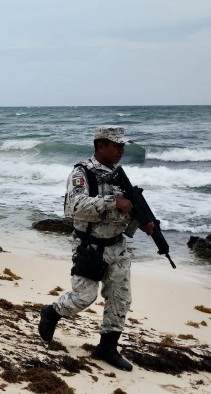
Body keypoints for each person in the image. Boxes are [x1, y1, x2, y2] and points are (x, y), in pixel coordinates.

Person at [38, 126, 156, 372]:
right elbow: (75, 207)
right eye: (116, 145)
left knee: (120, 300)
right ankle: (52, 312)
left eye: (123, 146)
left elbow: (129, 205)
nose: (121, 150)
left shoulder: (118, 173)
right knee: (84, 297)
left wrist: (143, 220)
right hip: (89, 247)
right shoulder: (82, 173)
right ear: (100, 146)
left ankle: (107, 348)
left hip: (118, 246)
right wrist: (114, 202)